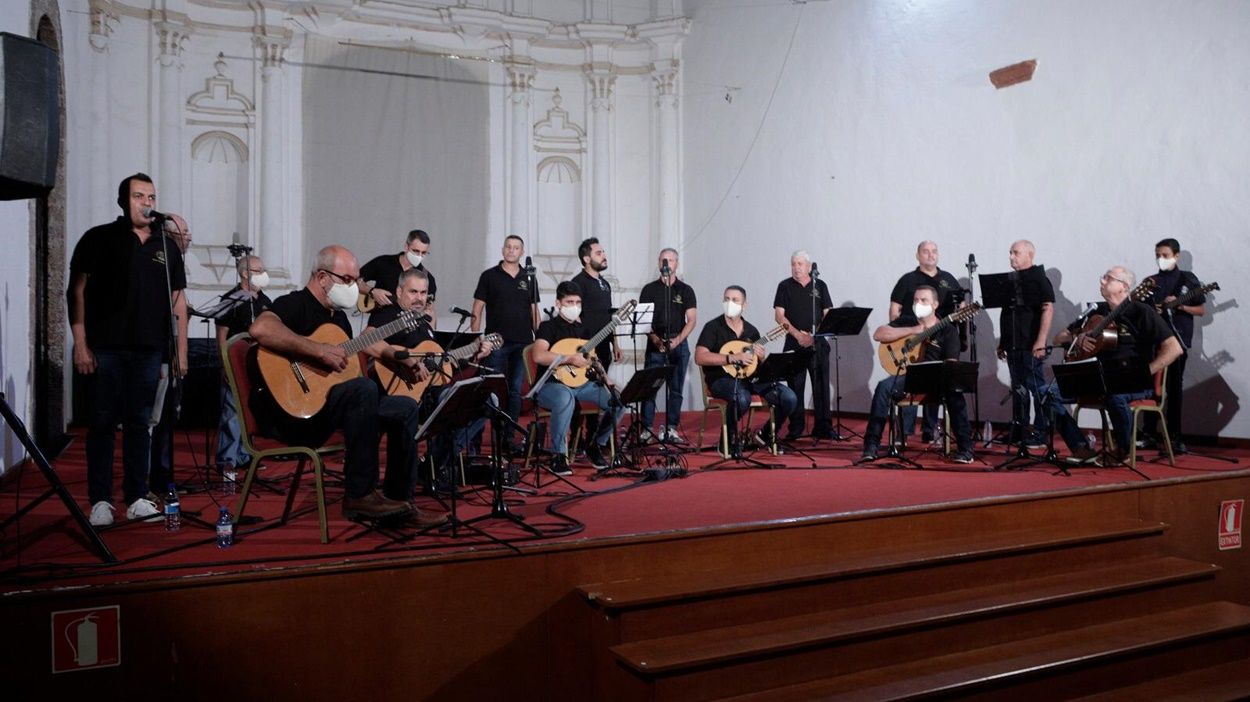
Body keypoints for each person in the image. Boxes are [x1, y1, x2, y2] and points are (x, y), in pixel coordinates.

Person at [248, 245, 444, 524]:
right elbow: (261, 329)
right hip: (293, 414)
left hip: (329, 410)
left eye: (356, 280)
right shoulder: (294, 304)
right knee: (363, 389)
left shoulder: (338, 317)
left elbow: (361, 349)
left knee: (404, 406)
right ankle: (359, 495)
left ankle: (400, 501)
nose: (355, 287)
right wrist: (317, 350)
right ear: (322, 277)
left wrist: (399, 359)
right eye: (348, 280)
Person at [69, 173, 189, 527]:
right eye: (139, 196)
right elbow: (76, 291)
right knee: (102, 424)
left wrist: (181, 352)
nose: (147, 203)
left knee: (141, 424)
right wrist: (80, 342)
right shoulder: (99, 238)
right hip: (105, 348)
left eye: (151, 196)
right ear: (123, 201)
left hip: (150, 350)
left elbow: (178, 302)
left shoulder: (165, 246)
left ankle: (137, 496)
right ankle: (101, 501)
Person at [364, 268, 495, 487]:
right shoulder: (388, 314)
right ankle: (431, 466)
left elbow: (438, 361)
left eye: (423, 293)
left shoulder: (423, 321)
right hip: (401, 394)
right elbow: (366, 340)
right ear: (399, 291)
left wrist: (475, 351)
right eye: (413, 292)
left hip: (430, 393)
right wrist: (403, 359)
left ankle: (433, 462)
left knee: (486, 401)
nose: (419, 298)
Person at [1052, 266, 1183, 463]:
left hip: (1133, 381)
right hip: (1098, 377)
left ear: (1124, 287)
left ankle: (1124, 450)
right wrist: (1078, 337)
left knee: (1115, 395)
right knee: (1048, 394)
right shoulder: (1097, 310)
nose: (1102, 281)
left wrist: (1146, 372)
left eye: (1108, 278)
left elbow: (1174, 348)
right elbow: (1058, 338)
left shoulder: (1142, 312)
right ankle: (1080, 448)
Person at [860, 286, 975, 464]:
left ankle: (965, 449)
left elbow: (951, 364)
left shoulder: (948, 330)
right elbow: (879, 334)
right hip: (909, 377)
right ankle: (871, 446)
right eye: (916, 300)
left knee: (955, 393)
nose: (918, 304)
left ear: (935, 304)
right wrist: (913, 330)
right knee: (883, 387)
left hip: (936, 379)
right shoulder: (907, 320)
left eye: (924, 300)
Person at [531, 281, 625, 475]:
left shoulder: (584, 330)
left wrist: (606, 379)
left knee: (619, 401)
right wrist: (568, 358)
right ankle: (558, 456)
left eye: (578, 302)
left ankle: (596, 444)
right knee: (565, 397)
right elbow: (538, 355)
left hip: (581, 384)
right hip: (550, 385)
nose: (574, 306)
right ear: (558, 303)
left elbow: (594, 360)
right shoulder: (547, 327)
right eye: (569, 302)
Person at [695, 286, 797, 452]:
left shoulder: (751, 331)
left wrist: (761, 357)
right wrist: (731, 357)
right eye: (726, 299)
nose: (730, 303)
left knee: (789, 397)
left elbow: (757, 366)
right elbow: (700, 357)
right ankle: (727, 441)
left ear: (744, 305)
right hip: (721, 379)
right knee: (742, 397)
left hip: (750, 379)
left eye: (735, 300)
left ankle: (766, 435)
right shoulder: (713, 327)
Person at [888, 241, 964, 443]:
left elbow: (961, 307)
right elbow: (894, 309)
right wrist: (900, 335)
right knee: (907, 380)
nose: (931, 255)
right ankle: (904, 432)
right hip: (911, 339)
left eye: (934, 251)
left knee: (936, 373)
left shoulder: (948, 279)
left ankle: (930, 430)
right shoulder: (908, 280)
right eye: (926, 252)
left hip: (940, 340)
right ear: (918, 255)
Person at [471, 235, 539, 450]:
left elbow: (534, 311)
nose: (511, 250)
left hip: (523, 343)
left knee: (515, 391)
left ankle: (508, 437)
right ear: (502, 250)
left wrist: (541, 337)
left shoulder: (529, 278)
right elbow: (477, 308)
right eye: (508, 247)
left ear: (522, 252)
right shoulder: (489, 276)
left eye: (516, 247)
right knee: (489, 389)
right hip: (495, 343)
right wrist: (476, 337)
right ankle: (476, 437)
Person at [1141, 238, 1206, 454]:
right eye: (1158, 255)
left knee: (1174, 389)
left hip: (1177, 341)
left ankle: (1175, 437)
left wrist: (1180, 306)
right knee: (1150, 387)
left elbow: (1201, 310)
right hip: (1152, 342)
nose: (1161, 259)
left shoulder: (1187, 280)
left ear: (1176, 256)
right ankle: (1148, 434)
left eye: (1165, 255)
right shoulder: (1150, 281)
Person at [214, 254, 272, 477]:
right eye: (259, 270)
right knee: (232, 411)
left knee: (250, 410)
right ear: (245, 273)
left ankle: (244, 456)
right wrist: (224, 363)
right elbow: (222, 332)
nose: (264, 274)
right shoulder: (232, 299)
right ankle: (227, 459)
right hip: (235, 361)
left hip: (257, 364)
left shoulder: (263, 300)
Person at [995, 240, 1056, 450]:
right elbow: (1006, 313)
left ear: (1030, 255)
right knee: (1019, 388)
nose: (1011, 257)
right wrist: (1003, 342)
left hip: (1031, 344)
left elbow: (1047, 309)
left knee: (1037, 388)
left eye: (1016, 253)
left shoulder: (1040, 279)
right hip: (1013, 344)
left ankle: (1040, 432)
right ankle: (1020, 430)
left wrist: (1041, 341)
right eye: (1010, 252)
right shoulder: (1011, 281)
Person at [638, 248, 698, 444]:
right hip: (656, 344)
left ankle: (671, 428)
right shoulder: (649, 289)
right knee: (649, 388)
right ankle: (646, 429)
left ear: (676, 264)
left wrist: (677, 341)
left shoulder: (685, 290)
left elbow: (691, 320)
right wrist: (656, 339)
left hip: (678, 344)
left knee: (676, 389)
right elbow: (643, 321)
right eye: (663, 260)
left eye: (670, 260)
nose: (667, 264)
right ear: (658, 263)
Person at [773, 250, 834, 440]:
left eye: (800, 264)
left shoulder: (820, 285)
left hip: (818, 343)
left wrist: (814, 336)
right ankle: (796, 428)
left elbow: (827, 313)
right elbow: (779, 315)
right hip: (794, 343)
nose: (796, 267)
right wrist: (798, 335)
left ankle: (823, 427)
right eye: (793, 264)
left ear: (809, 267)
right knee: (795, 387)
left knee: (821, 386)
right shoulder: (784, 286)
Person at [359, 229, 438, 327]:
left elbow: (430, 311)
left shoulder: (427, 278)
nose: (420, 256)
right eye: (416, 251)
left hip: (406, 327)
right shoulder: (383, 262)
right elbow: (354, 281)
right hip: (378, 322)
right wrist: (371, 291)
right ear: (406, 247)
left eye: (424, 253)